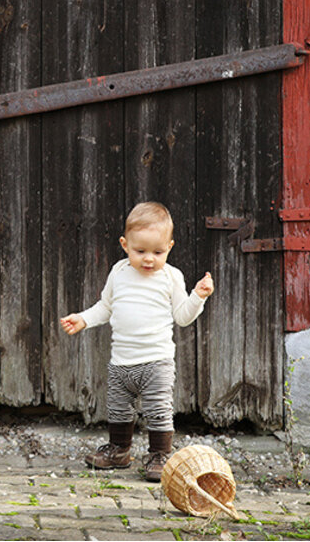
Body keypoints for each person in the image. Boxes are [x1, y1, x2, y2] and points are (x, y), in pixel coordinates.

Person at [59, 201, 214, 481]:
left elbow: (183, 317)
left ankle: (159, 455)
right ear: (124, 244)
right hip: (121, 361)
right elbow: (105, 307)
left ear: (170, 246)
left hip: (156, 361)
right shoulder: (119, 273)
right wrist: (83, 318)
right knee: (118, 408)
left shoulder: (170, 277)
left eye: (158, 252)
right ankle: (119, 450)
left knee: (158, 409)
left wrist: (197, 297)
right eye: (139, 251)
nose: (148, 259)